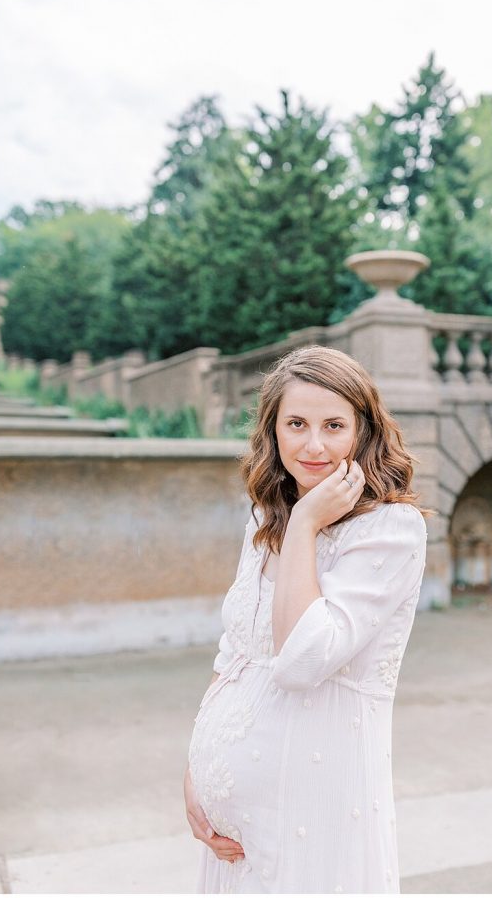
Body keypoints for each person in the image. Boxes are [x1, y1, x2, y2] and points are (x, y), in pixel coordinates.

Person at [184, 344, 430, 894]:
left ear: (362, 433)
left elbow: (301, 661)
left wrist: (304, 526)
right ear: (272, 431)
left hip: (314, 810)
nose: (313, 444)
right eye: (296, 423)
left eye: (333, 425)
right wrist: (196, 772)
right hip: (234, 836)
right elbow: (236, 656)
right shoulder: (263, 519)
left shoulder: (390, 530)